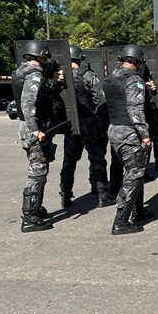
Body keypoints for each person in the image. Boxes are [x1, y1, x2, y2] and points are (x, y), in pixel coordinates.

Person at [12, 40, 64, 233]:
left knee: (40, 170)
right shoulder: (34, 75)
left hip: (29, 127)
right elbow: (28, 103)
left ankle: (36, 208)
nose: (47, 59)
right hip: (34, 128)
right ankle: (29, 217)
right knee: (37, 173)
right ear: (39, 55)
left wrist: (53, 84)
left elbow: (41, 95)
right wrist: (36, 129)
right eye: (45, 56)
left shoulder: (21, 72)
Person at [102, 45, 152, 235]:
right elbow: (135, 110)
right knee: (134, 175)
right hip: (130, 133)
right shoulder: (133, 80)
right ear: (138, 62)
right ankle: (120, 221)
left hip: (115, 130)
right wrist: (145, 134)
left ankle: (138, 211)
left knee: (134, 172)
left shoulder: (110, 77)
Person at [59, 45, 114, 209]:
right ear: (79, 58)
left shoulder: (60, 77)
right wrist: (102, 121)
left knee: (69, 161)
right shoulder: (87, 75)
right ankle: (103, 195)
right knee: (97, 159)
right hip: (90, 123)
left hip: (71, 125)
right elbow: (100, 100)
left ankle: (66, 197)